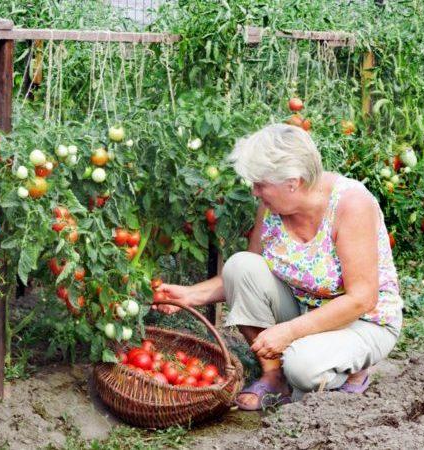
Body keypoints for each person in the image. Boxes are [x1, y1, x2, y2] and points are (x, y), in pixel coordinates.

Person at [153, 123, 403, 410]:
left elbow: (362, 298)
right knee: (241, 265)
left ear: (292, 182)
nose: (255, 192)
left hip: (363, 321)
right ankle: (274, 378)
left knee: (302, 367)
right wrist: (188, 295)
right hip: (305, 308)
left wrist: (289, 333)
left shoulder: (351, 205)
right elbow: (244, 277)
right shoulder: (273, 207)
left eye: (260, 184)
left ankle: (351, 370)